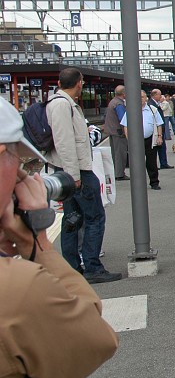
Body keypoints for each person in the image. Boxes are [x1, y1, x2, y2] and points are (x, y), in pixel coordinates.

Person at [0, 96, 119, 378]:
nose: (24, 175)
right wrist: (38, 245)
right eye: (16, 161)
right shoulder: (15, 291)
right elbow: (93, 341)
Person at [45, 68, 122, 284]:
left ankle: (73, 268)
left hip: (72, 171)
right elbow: (65, 143)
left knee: (73, 218)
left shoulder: (63, 103)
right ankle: (92, 267)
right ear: (79, 83)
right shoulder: (62, 105)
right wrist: (73, 176)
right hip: (75, 172)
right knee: (94, 217)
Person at [123, 91, 163, 190]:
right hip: (136, 141)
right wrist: (129, 139)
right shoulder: (130, 110)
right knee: (136, 163)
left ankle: (154, 182)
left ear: (146, 98)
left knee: (151, 162)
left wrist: (159, 136)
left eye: (142, 97)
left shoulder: (152, 110)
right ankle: (138, 184)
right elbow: (125, 126)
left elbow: (159, 124)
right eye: (138, 97)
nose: (140, 99)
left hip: (150, 139)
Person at [102, 85, 128, 181]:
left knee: (114, 153)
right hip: (118, 132)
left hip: (111, 131)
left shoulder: (112, 101)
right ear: (124, 93)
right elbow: (123, 119)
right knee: (120, 153)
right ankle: (120, 174)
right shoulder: (119, 104)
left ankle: (116, 172)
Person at [150, 89, 174, 169]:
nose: (161, 96)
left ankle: (163, 163)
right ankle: (161, 163)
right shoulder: (151, 104)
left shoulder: (156, 103)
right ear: (155, 95)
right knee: (158, 147)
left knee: (161, 147)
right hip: (157, 129)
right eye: (160, 95)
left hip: (159, 128)